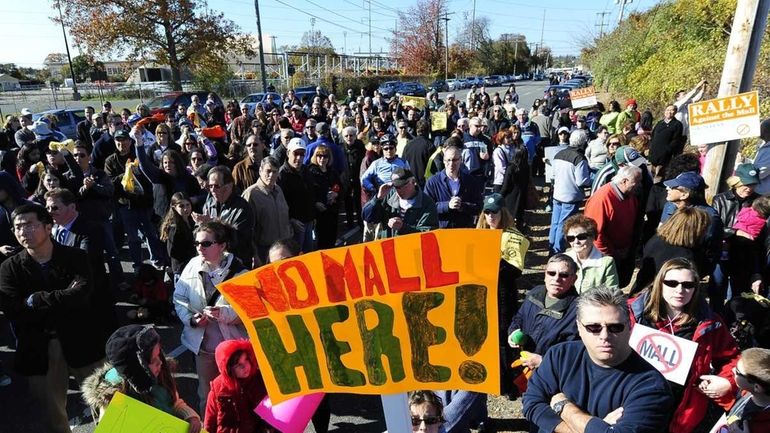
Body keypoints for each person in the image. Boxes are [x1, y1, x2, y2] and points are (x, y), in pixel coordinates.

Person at [0, 204, 107, 433]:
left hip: (83, 339)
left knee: (107, 403)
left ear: (48, 227)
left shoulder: (76, 257)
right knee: (52, 415)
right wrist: (63, 296)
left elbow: (83, 295)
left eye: (29, 224)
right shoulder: (9, 269)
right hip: (40, 348)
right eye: (18, 227)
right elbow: (15, 311)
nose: (23, 231)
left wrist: (37, 300)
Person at [523, 286, 674, 433]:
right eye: (593, 327)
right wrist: (593, 427)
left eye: (615, 327)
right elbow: (531, 403)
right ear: (579, 328)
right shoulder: (559, 355)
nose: (604, 336)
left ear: (629, 327)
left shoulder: (651, 386)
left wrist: (563, 407)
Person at [628, 258, 740, 433]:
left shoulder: (709, 323)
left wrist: (727, 381)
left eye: (688, 285)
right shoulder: (632, 313)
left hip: (681, 412)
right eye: (672, 283)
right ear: (660, 283)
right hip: (633, 402)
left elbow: (732, 357)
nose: (680, 290)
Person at [173, 220, 249, 414]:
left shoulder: (240, 273)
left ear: (222, 246)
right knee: (206, 397)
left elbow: (247, 310)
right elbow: (179, 298)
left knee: (239, 394)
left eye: (206, 243)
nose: (200, 248)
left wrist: (222, 313)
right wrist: (191, 319)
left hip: (232, 349)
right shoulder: (192, 265)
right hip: (203, 350)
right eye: (197, 243)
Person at [81, 325, 201, 432]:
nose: (160, 362)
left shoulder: (159, 376)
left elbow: (174, 403)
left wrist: (190, 416)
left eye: (159, 355)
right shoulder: (113, 400)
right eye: (153, 360)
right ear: (136, 369)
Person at [507, 254, 581, 376]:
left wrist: (543, 361)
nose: (556, 279)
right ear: (545, 275)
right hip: (523, 366)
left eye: (564, 275)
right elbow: (519, 317)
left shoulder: (579, 310)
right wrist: (513, 331)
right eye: (551, 273)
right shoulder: (535, 292)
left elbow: (575, 352)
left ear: (574, 279)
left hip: (551, 376)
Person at [584, 165, 642, 287]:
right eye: (636, 182)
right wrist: (611, 255)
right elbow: (595, 234)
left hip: (623, 252)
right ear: (624, 181)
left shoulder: (630, 196)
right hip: (607, 255)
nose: (639, 185)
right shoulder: (602, 199)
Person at [633, 207, 711, 294]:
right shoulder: (686, 256)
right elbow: (698, 273)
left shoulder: (657, 240)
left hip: (641, 289)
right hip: (664, 296)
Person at [204, 339, 269, 433]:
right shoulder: (218, 387)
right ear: (228, 369)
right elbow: (209, 422)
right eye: (238, 364)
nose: (245, 366)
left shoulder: (260, 379)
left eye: (246, 359)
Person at [362, 167, 438, 239]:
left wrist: (403, 228)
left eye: (404, 186)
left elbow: (428, 235)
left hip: (413, 249)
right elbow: (367, 217)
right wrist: (377, 198)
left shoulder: (426, 203)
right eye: (397, 187)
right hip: (390, 248)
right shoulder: (388, 196)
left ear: (413, 181)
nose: (400, 190)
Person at [242, 157, 292, 265]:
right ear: (260, 171)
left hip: (283, 249)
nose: (271, 175)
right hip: (263, 252)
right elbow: (247, 230)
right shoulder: (251, 194)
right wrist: (254, 254)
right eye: (268, 171)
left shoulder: (278, 189)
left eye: (275, 172)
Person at [547, 132, 591, 254]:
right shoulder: (579, 158)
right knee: (564, 225)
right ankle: (558, 251)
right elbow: (582, 181)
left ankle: (552, 248)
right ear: (583, 142)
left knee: (555, 223)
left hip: (557, 194)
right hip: (570, 196)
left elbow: (553, 175)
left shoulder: (559, 154)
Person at [423, 145, 483, 228]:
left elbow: (479, 206)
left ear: (460, 160)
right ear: (443, 161)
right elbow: (426, 208)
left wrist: (462, 206)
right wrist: (447, 206)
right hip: (442, 232)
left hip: (463, 230)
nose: (451, 164)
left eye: (455, 160)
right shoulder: (433, 182)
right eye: (448, 160)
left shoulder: (470, 180)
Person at [277, 138, 316, 252]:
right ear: (288, 153)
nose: (299, 158)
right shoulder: (281, 175)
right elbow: (279, 203)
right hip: (293, 226)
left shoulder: (306, 170)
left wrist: (313, 216)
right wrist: (290, 219)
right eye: (296, 153)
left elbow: (311, 194)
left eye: (302, 154)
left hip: (308, 221)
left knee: (308, 255)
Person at [563, 214, 619, 293]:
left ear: (592, 237)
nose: (576, 242)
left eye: (581, 237)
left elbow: (612, 293)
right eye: (571, 238)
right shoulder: (564, 259)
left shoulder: (606, 262)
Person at [725, 347, 770, 433]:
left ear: (757, 387)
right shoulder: (749, 391)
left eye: (738, 372)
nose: (733, 370)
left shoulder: (763, 426)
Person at [307, 144, 342, 249]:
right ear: (315, 156)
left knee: (332, 239)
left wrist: (336, 194)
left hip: (332, 211)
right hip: (319, 213)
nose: (322, 158)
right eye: (319, 156)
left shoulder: (332, 171)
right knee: (320, 242)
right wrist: (316, 203)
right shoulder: (310, 172)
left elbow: (341, 187)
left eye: (325, 156)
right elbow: (308, 192)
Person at [159, 192, 196, 280]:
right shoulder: (175, 227)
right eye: (181, 206)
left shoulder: (191, 220)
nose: (186, 209)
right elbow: (171, 251)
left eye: (188, 205)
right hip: (181, 268)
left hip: (191, 264)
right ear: (174, 207)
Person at [648, 104, 685, 168]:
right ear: (665, 111)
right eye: (667, 110)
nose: (669, 112)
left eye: (671, 110)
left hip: (665, 154)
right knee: (650, 173)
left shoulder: (677, 124)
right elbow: (653, 135)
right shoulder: (660, 123)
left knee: (660, 174)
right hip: (653, 152)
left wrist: (667, 150)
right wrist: (651, 146)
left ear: (675, 112)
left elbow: (676, 140)